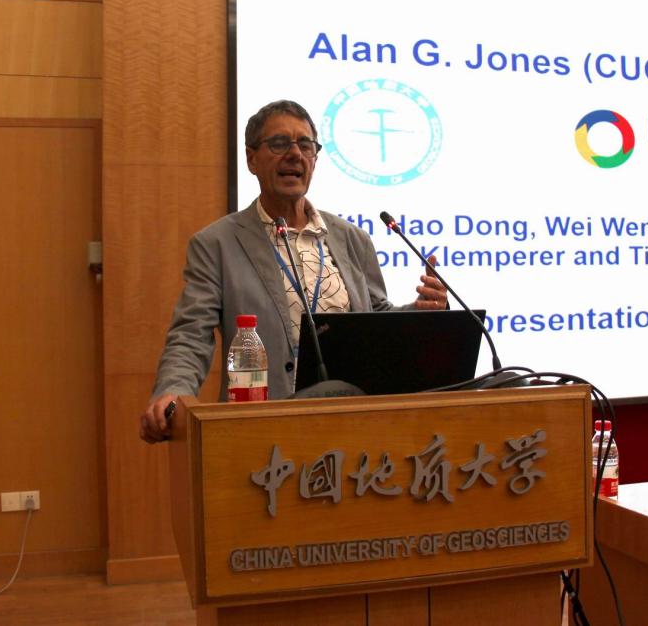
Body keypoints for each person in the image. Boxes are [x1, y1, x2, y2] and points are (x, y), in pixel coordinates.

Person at [139, 100, 447, 444]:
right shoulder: (217, 244)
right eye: (279, 143)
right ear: (251, 159)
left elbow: (375, 318)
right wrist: (173, 391)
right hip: (265, 430)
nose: (295, 154)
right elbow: (191, 334)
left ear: (315, 159)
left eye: (305, 144)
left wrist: (419, 313)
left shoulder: (352, 239)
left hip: (356, 423)